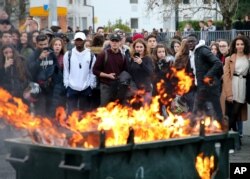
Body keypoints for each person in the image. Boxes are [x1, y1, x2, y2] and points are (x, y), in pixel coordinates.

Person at [187, 34, 223, 122]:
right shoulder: (192, 53)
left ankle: (222, 131)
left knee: (215, 110)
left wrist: (208, 76)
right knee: (200, 111)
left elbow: (218, 63)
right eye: (189, 42)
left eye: (192, 41)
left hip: (211, 86)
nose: (190, 43)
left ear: (197, 42)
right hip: (202, 87)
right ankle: (197, 130)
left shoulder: (203, 50)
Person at [222, 35, 250, 140]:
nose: (240, 46)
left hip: (243, 85)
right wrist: (228, 93)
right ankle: (233, 138)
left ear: (245, 45)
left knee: (236, 112)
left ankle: (232, 137)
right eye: (237, 44)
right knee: (231, 113)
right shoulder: (229, 59)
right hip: (232, 85)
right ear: (234, 45)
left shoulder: (248, 57)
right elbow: (226, 77)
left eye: (242, 44)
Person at [64, 32, 97, 114]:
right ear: (74, 41)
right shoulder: (68, 54)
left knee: (84, 113)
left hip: (86, 87)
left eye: (81, 40)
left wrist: (91, 85)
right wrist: (67, 84)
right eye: (77, 40)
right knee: (71, 113)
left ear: (85, 41)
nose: (79, 42)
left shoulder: (91, 55)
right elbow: (66, 70)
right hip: (71, 87)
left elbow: (92, 72)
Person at [28, 34, 58, 117]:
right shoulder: (33, 55)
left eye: (45, 44)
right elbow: (30, 70)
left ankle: (50, 128)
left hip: (50, 87)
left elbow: (56, 68)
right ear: (37, 44)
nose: (44, 46)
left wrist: (53, 79)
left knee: (51, 111)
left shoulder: (51, 54)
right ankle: (39, 129)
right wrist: (39, 59)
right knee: (40, 112)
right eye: (41, 44)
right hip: (38, 88)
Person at [93, 33, 127, 106]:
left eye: (116, 41)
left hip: (118, 87)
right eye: (112, 41)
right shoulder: (103, 54)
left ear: (120, 42)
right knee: (104, 108)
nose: (114, 43)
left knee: (117, 109)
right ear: (110, 42)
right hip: (106, 86)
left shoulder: (123, 56)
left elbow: (125, 72)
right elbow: (95, 70)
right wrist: (107, 75)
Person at [128, 38, 154, 106]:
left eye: (141, 47)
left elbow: (150, 72)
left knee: (145, 109)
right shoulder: (132, 59)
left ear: (144, 48)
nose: (139, 49)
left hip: (145, 88)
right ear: (134, 48)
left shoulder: (147, 59)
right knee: (135, 109)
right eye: (137, 47)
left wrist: (141, 63)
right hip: (134, 88)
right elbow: (130, 72)